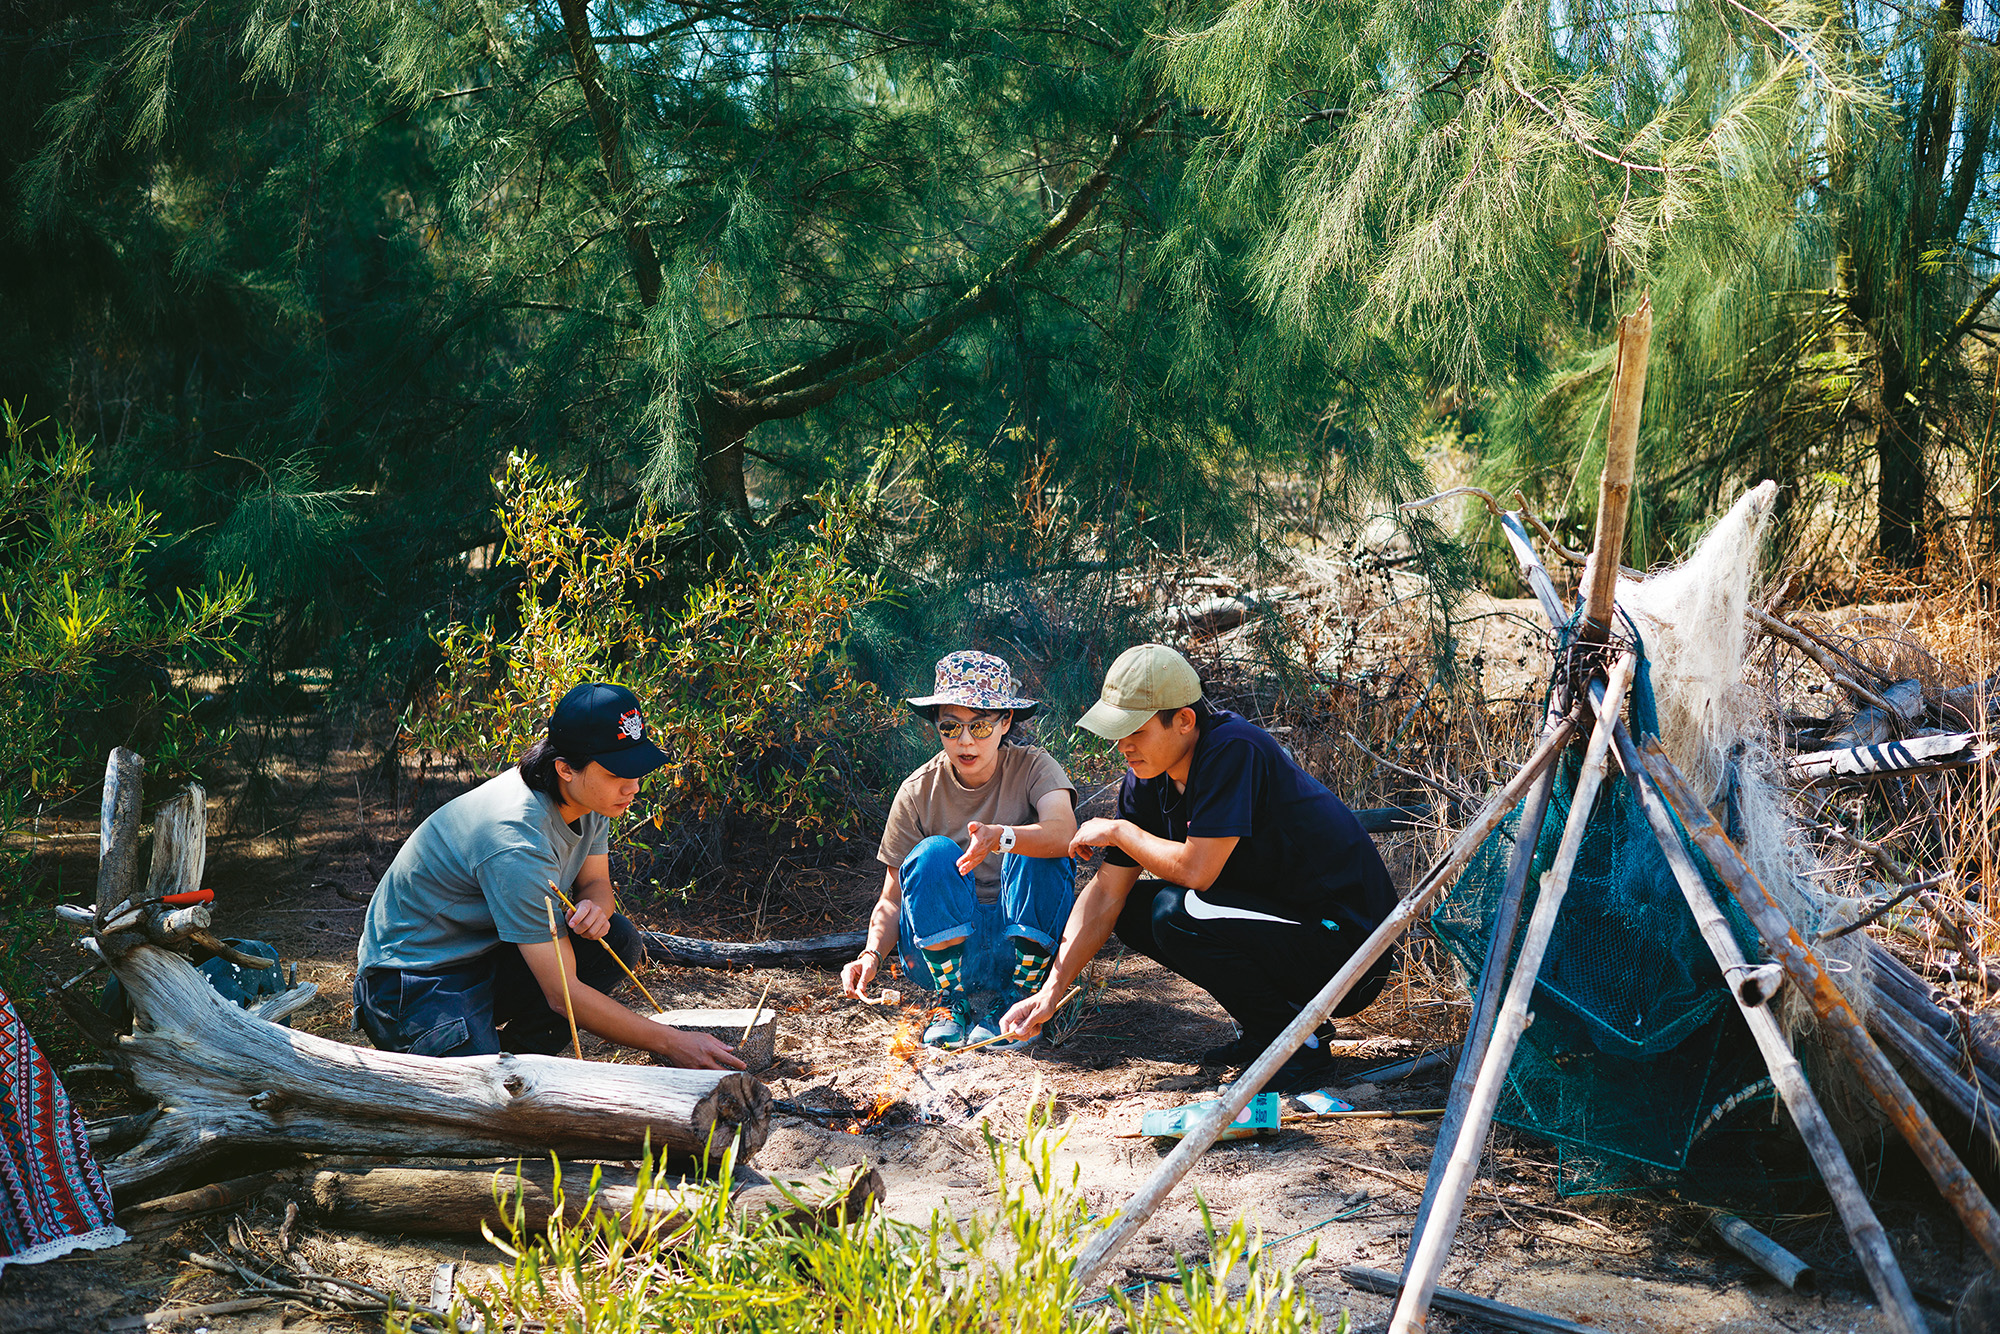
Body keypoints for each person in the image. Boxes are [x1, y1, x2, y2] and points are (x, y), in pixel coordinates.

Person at [1000, 643, 1398, 1093]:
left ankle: (1298, 1045)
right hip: (1287, 927)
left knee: (1178, 910)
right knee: (1134, 909)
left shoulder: (1233, 750)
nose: (1122, 746)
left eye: (1135, 731)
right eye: (1117, 732)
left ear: (1185, 721)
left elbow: (1197, 873)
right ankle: (1272, 1030)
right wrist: (1050, 991)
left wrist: (1118, 832)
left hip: (1349, 950)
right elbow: (1107, 894)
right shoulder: (1148, 774)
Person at [354, 682, 744, 1069]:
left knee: (618, 939)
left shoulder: (590, 799)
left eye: (637, 769)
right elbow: (563, 996)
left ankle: (519, 1061)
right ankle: (495, 1067)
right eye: (617, 773)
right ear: (565, 769)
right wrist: (673, 1043)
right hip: (409, 982)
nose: (633, 787)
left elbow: (596, 884)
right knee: (485, 1101)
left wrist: (597, 907)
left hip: (479, 956)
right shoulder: (517, 841)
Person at [841, 651, 1078, 1048]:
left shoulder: (1035, 767)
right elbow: (891, 897)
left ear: (1006, 723)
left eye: (980, 726)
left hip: (1022, 937)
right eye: (951, 727)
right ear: (937, 727)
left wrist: (1004, 836)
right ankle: (951, 999)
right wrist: (870, 955)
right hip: (945, 952)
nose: (965, 741)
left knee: (1038, 850)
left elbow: (1063, 832)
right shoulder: (917, 791)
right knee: (932, 853)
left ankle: (1022, 995)